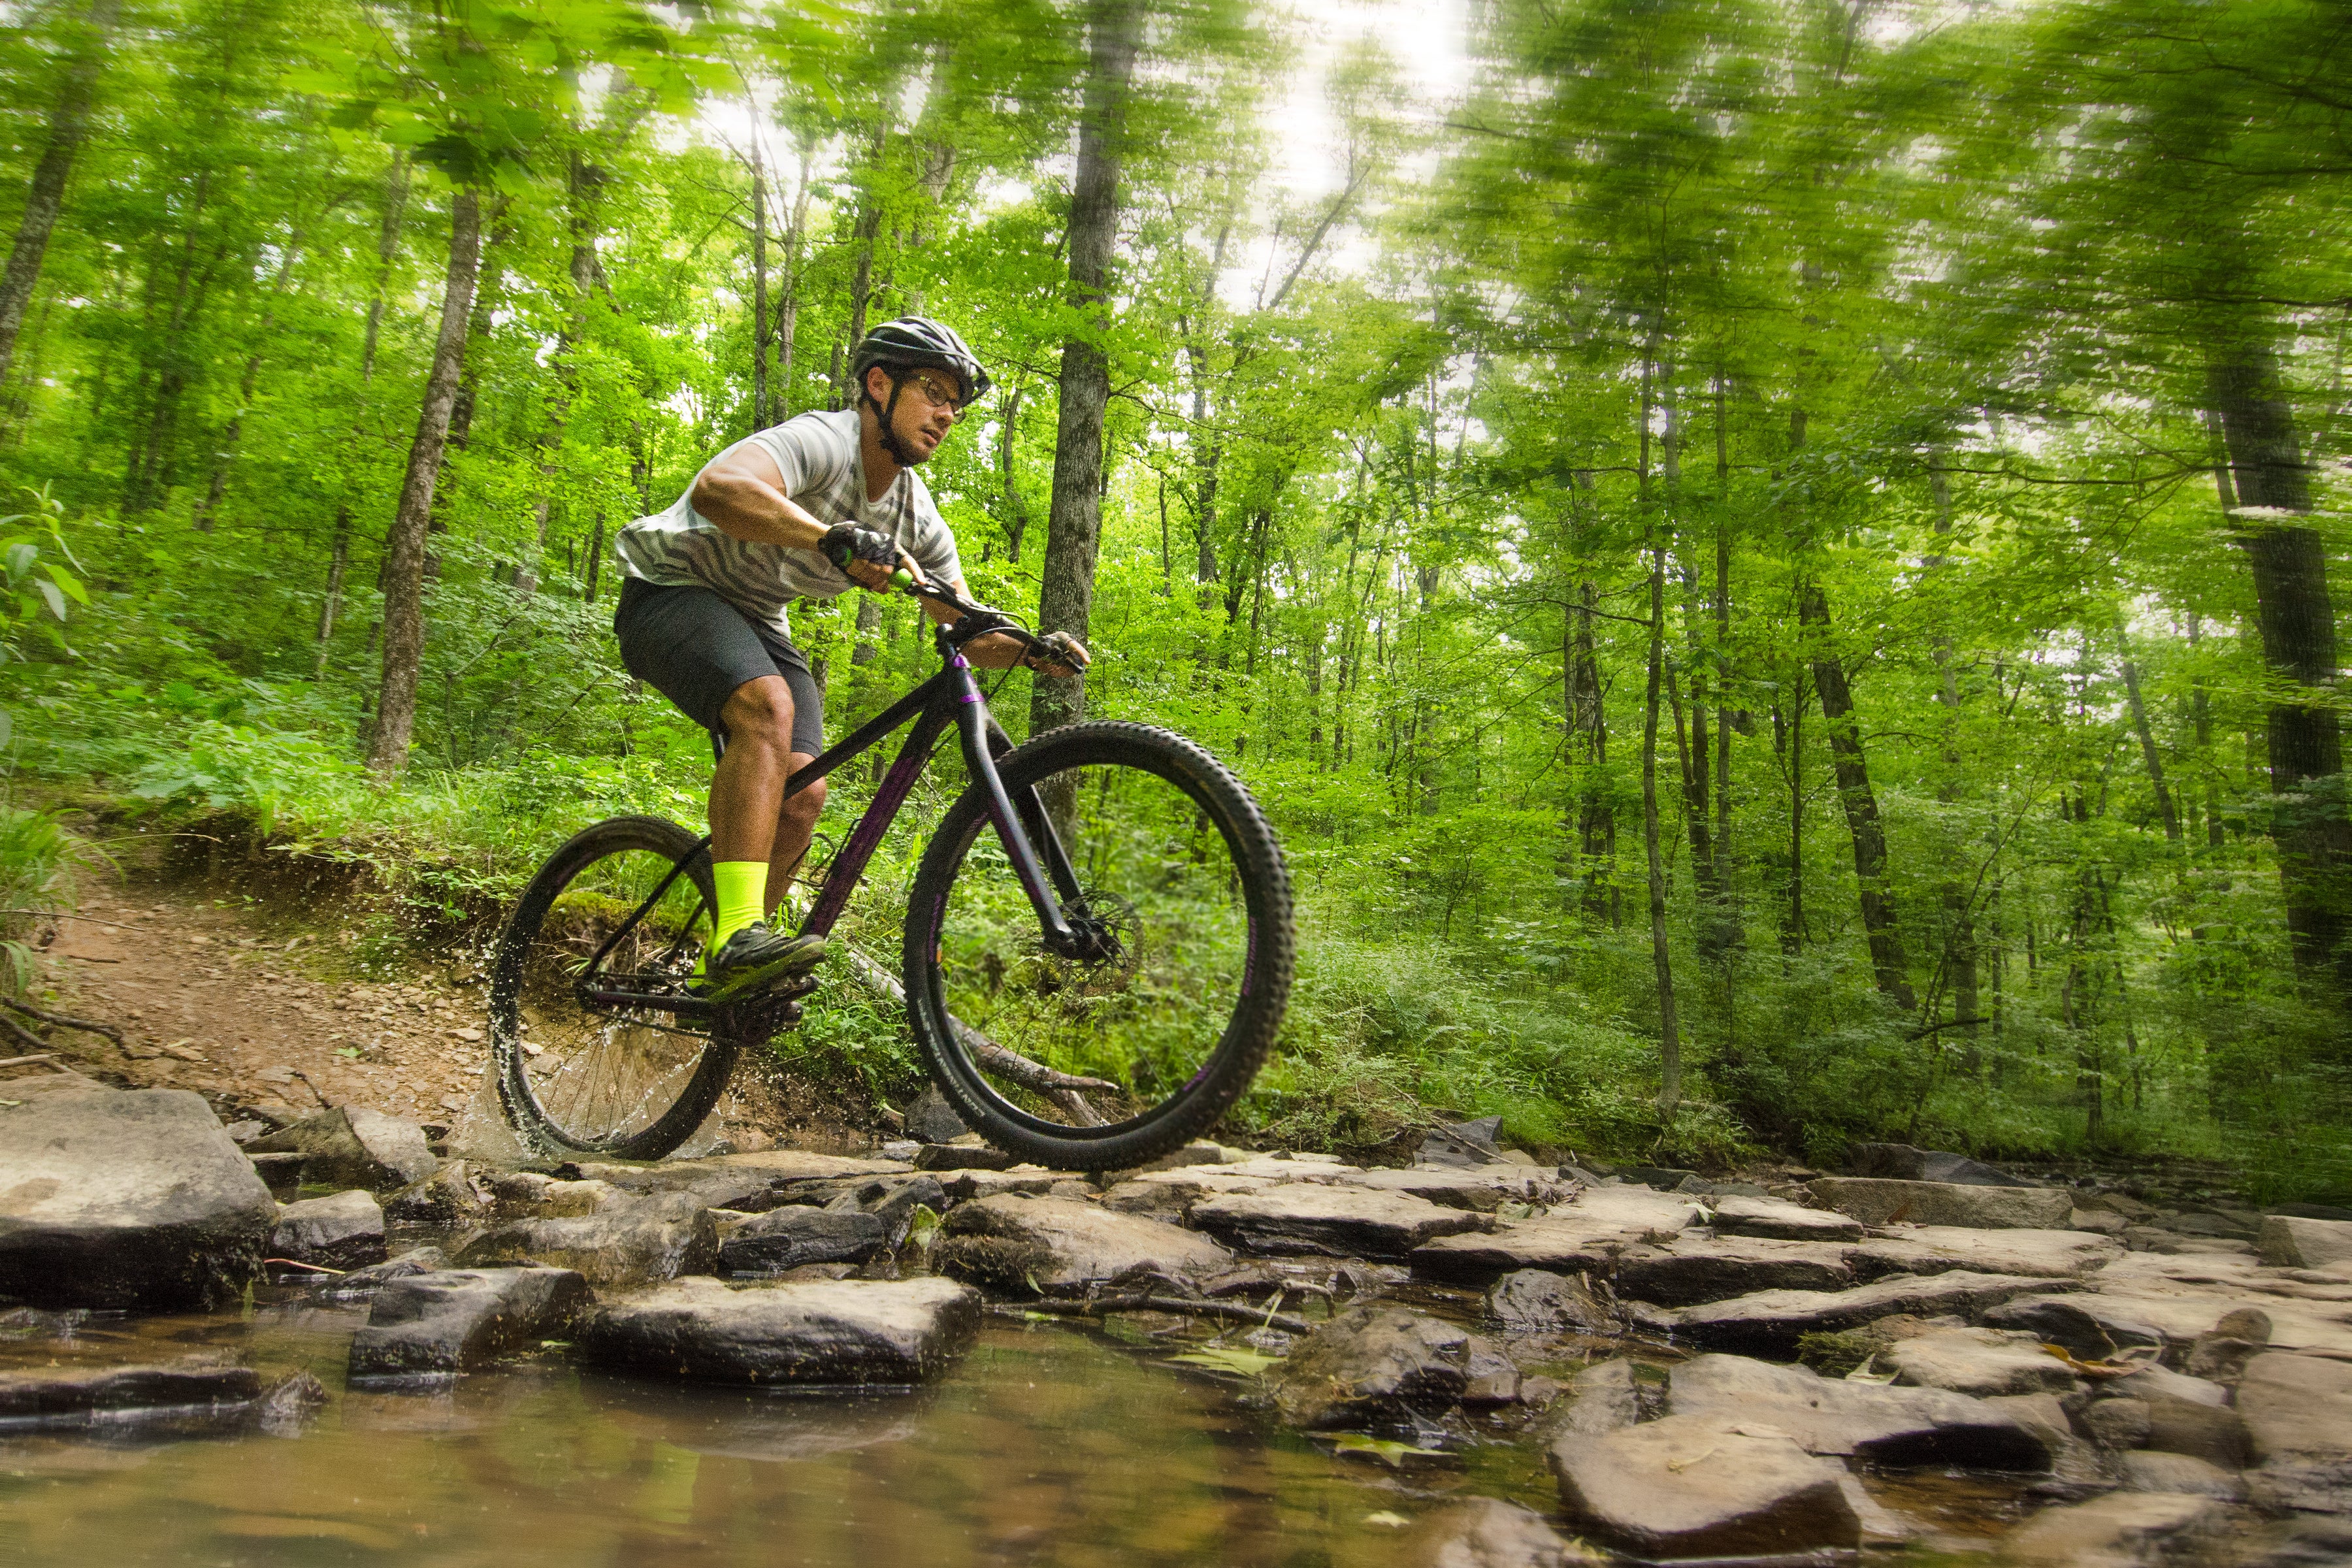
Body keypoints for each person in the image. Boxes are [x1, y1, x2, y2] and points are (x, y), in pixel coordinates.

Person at [611, 318, 1086, 999]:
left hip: (757, 617)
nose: (948, 414)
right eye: (934, 392)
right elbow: (719, 490)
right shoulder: (823, 441)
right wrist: (830, 536)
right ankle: (740, 929)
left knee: (805, 795)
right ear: (878, 385)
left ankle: (738, 962)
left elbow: (967, 627)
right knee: (766, 709)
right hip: (670, 589)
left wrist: (1034, 650)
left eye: (957, 403)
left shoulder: (915, 519)